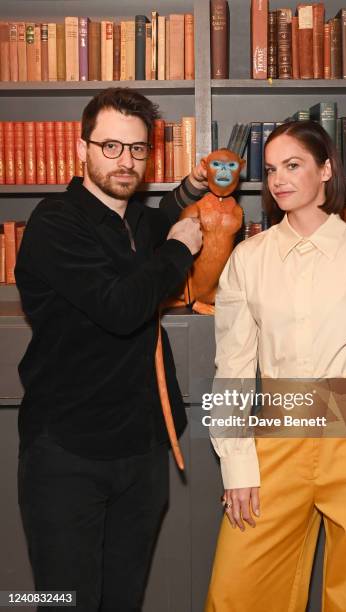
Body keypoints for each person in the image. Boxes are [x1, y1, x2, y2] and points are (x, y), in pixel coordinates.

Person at [205, 120, 346, 611]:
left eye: (293, 165)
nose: (279, 180)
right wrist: (235, 465)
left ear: (326, 169)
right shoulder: (248, 258)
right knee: (238, 591)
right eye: (270, 170)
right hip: (279, 429)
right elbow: (232, 369)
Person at [15, 87, 207, 612]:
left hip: (141, 450)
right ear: (82, 149)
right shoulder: (54, 223)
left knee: (124, 601)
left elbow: (178, 219)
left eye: (138, 149)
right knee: (62, 601)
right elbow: (120, 307)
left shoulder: (144, 223)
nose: (126, 161)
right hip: (66, 451)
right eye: (111, 147)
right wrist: (177, 251)